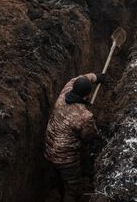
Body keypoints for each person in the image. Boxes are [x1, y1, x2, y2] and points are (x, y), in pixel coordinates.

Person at [45, 73, 104, 202]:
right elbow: (89, 137)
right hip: (66, 159)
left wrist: (95, 77)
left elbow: (76, 79)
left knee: (60, 179)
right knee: (73, 189)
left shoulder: (63, 95)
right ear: (87, 96)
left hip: (49, 149)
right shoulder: (84, 116)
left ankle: (60, 192)